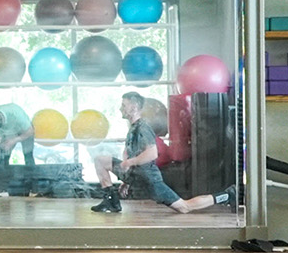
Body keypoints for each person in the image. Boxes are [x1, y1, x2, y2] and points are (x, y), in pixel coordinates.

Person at [89, 91, 232, 215]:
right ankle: (111, 200)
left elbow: (152, 153)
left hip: (149, 179)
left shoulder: (143, 128)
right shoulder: (133, 127)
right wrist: (126, 180)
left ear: (134, 107)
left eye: (124, 105)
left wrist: (129, 163)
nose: (121, 109)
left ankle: (226, 195)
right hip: (136, 175)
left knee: (184, 207)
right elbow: (134, 154)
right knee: (100, 161)